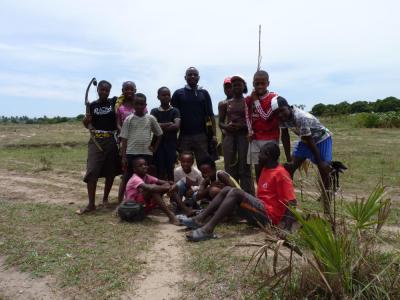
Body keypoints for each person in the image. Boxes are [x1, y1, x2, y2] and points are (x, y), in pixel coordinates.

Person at [182, 142, 297, 242]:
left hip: (269, 217)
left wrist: (287, 228)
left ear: (268, 156)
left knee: (236, 192)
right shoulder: (265, 169)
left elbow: (292, 201)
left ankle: (207, 230)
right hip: (260, 211)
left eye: (261, 153)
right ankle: (199, 219)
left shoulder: (281, 174)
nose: (258, 155)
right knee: (227, 189)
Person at [271, 97, 332, 188]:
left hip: (321, 139)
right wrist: (289, 160)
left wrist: (320, 162)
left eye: (282, 110)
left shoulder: (300, 117)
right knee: (289, 168)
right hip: (305, 140)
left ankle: (326, 197)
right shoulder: (281, 118)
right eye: (277, 113)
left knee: (324, 169)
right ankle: (289, 196)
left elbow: (310, 140)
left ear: (288, 107)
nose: (280, 115)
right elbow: (285, 136)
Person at [79, 80, 120, 214]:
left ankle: (105, 199)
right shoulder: (92, 105)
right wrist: (87, 122)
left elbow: (126, 97)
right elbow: (87, 123)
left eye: (107, 90)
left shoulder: (113, 102)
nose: (104, 92)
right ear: (97, 90)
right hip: (96, 141)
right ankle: (91, 204)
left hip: (111, 140)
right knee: (92, 171)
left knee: (111, 171)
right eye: (102, 90)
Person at [171, 67, 217, 163]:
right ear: (185, 77)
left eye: (195, 75)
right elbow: (173, 116)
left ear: (198, 77)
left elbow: (211, 115)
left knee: (205, 164)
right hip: (184, 137)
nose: (192, 76)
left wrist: (214, 135)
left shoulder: (204, 93)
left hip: (202, 136)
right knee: (185, 165)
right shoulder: (178, 94)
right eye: (190, 74)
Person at [219, 75, 254, 195]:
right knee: (229, 167)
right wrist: (226, 127)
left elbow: (253, 121)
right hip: (229, 137)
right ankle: (232, 195)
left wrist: (243, 126)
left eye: (239, 84)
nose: (236, 87)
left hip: (244, 137)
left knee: (245, 168)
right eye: (234, 85)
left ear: (244, 86)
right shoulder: (224, 104)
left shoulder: (248, 102)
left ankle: (247, 196)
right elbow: (221, 122)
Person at [120, 93, 163, 188]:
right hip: (131, 152)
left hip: (146, 153)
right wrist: (123, 157)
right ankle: (122, 200)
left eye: (141, 104)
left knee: (146, 177)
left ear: (145, 105)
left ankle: (145, 199)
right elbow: (124, 138)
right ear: (133, 105)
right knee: (127, 176)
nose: (139, 106)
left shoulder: (150, 118)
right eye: (136, 104)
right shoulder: (128, 119)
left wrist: (154, 148)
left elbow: (159, 134)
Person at [245, 70, 280, 181]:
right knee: (258, 167)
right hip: (255, 138)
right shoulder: (248, 99)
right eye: (257, 83)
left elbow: (265, 117)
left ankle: (271, 192)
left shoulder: (274, 98)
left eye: (262, 83)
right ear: (253, 83)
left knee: (271, 167)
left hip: (270, 138)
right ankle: (261, 193)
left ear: (268, 83)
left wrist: (256, 100)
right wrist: (250, 131)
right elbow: (248, 116)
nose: (259, 86)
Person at [123, 158, 181, 224]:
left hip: (142, 205)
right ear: (134, 169)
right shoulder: (135, 179)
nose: (144, 166)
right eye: (140, 165)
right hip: (132, 207)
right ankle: (171, 216)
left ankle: (184, 209)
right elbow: (151, 188)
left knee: (167, 188)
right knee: (153, 189)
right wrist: (169, 187)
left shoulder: (147, 176)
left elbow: (165, 182)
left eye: (145, 164)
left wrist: (172, 185)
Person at [150, 87, 180, 181]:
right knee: (159, 169)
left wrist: (159, 126)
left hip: (171, 145)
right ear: (158, 97)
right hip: (157, 145)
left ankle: (171, 193)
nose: (166, 97)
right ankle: (159, 193)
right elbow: (152, 126)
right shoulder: (154, 111)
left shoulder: (175, 111)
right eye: (163, 95)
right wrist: (169, 123)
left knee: (170, 169)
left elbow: (176, 126)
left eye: (168, 95)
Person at [116, 81, 136, 203]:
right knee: (126, 171)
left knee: (138, 170)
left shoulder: (140, 105)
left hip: (138, 141)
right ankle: (121, 200)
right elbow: (118, 123)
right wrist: (124, 132)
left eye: (131, 89)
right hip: (125, 141)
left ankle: (135, 197)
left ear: (135, 90)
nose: (129, 91)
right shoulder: (120, 107)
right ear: (122, 91)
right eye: (126, 89)